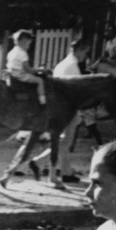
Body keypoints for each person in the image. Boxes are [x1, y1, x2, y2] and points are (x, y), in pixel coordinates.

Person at [27, 40, 95, 183]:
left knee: (66, 141)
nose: (85, 56)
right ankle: (40, 163)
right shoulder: (72, 66)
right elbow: (74, 91)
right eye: (84, 52)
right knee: (65, 141)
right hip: (66, 109)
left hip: (59, 108)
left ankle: (65, 171)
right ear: (77, 50)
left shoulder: (63, 64)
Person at [6, 29, 47, 105]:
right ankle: (43, 102)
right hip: (21, 76)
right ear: (23, 41)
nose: (28, 46)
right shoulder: (23, 53)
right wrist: (41, 70)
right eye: (28, 44)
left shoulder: (11, 52)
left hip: (12, 74)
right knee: (40, 80)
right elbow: (28, 69)